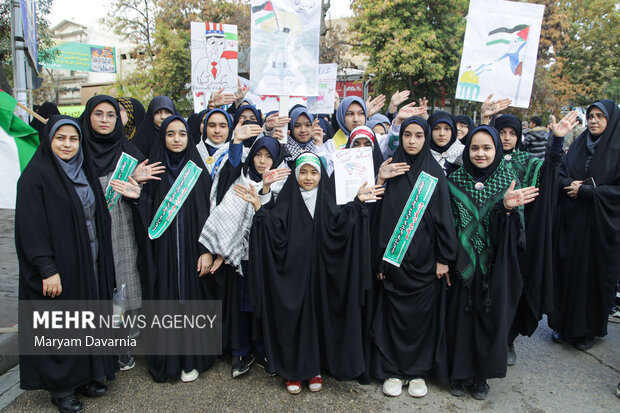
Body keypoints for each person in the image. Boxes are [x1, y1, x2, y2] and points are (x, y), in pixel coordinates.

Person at [242, 152, 384, 394]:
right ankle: (293, 372)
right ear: (296, 174)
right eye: (303, 172)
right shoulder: (286, 200)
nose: (308, 177)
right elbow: (271, 228)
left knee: (318, 320)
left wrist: (358, 203)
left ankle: (315, 369)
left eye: (314, 172)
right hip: (292, 277)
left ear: (321, 175)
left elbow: (340, 226)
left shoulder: (328, 200)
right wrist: (258, 205)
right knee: (292, 321)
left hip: (321, 277)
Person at [16, 115, 119, 413]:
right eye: (60, 138)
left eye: (73, 139)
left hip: (88, 263)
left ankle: (85, 377)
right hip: (59, 268)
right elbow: (30, 229)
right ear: (49, 140)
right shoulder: (35, 176)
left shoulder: (83, 170)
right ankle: (61, 390)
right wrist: (47, 269)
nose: (67, 144)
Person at [446, 125, 538, 400]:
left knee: (489, 321)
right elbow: (448, 223)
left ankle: (481, 377)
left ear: (497, 150)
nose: (480, 153)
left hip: (495, 269)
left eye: (487, 148)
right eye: (474, 148)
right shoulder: (455, 180)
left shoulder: (507, 180)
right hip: (461, 266)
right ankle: (459, 373)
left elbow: (513, 235)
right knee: (459, 321)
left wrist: (506, 209)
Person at [371, 117, 457, 398]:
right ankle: (393, 370)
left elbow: (445, 219)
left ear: (426, 138)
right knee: (393, 317)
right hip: (394, 261)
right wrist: (381, 258)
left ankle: (418, 371)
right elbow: (378, 218)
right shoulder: (390, 169)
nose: (411, 140)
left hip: (425, 262)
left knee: (422, 319)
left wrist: (444, 258)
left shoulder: (434, 173)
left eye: (419, 135)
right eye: (407, 134)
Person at [80, 95, 165, 370]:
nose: (105, 120)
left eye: (111, 115)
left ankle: (120, 343)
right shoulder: (77, 151)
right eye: (99, 114)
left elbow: (148, 198)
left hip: (123, 228)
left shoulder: (130, 153)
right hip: (89, 229)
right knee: (94, 282)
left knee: (123, 282)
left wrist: (135, 184)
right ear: (88, 116)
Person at [200, 134, 289, 378]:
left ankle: (263, 349)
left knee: (262, 303)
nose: (262, 162)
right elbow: (223, 214)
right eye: (258, 155)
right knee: (240, 304)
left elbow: (277, 221)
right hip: (238, 256)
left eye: (269, 156)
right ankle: (240, 350)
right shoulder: (240, 180)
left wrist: (267, 189)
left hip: (267, 257)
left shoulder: (285, 183)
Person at [494, 113, 578, 365]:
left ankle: (508, 339)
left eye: (512, 133)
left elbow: (550, 175)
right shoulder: (485, 157)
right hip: (490, 237)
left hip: (520, 239)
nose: (507, 138)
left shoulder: (528, 163)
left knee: (516, 292)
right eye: (502, 132)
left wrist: (556, 142)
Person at [142, 115, 217, 383]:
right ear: (162, 137)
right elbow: (144, 214)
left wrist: (207, 249)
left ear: (189, 138)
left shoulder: (196, 170)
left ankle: (191, 359)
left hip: (192, 251)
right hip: (162, 253)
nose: (176, 139)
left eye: (182, 134)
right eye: (170, 133)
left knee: (192, 302)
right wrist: (138, 186)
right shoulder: (152, 171)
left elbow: (210, 214)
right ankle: (169, 360)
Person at [549, 100, 620, 351]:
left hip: (601, 228)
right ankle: (563, 324)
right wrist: (570, 184)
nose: (593, 120)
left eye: (600, 116)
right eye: (590, 116)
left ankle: (587, 329)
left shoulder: (616, 148)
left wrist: (590, 191)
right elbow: (558, 174)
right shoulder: (578, 145)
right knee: (568, 273)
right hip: (572, 224)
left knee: (592, 277)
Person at [428, 111, 464, 176]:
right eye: (436, 129)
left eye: (447, 129)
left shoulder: (463, 153)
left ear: (453, 131)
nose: (442, 134)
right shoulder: (422, 154)